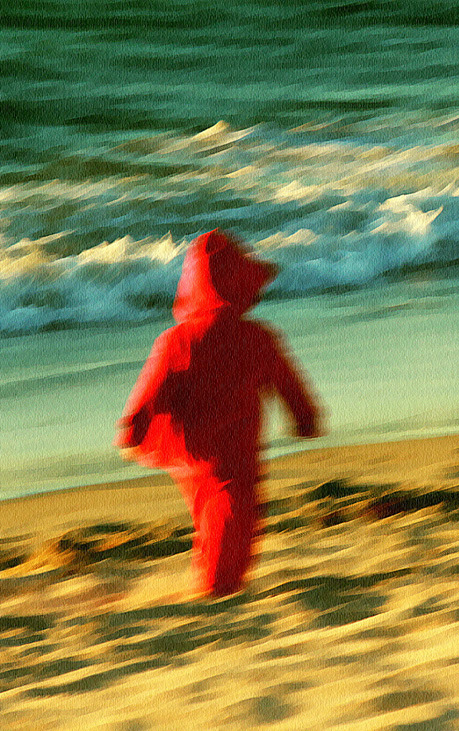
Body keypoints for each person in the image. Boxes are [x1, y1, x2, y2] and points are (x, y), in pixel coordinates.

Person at [116, 228, 321, 598]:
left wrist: (133, 430)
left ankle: (213, 573)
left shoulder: (175, 341)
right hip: (234, 451)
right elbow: (289, 385)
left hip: (188, 447)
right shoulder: (259, 338)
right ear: (243, 286)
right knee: (235, 513)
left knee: (209, 511)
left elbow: (149, 391)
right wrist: (305, 418)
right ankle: (217, 584)